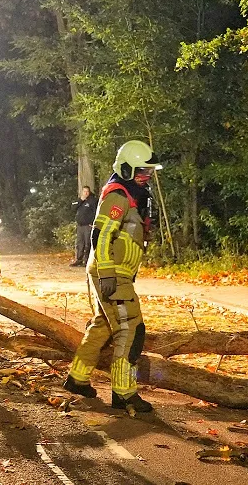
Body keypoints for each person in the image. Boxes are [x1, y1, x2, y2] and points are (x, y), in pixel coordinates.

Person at [63, 140, 159, 413]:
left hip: (114, 271)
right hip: (112, 272)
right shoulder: (117, 195)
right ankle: (124, 393)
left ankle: (78, 378)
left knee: (102, 325)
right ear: (127, 169)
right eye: (141, 172)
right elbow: (100, 234)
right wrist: (108, 274)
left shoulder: (132, 194)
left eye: (148, 172)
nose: (146, 177)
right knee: (132, 330)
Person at [70, 186, 98, 267]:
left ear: (89, 192)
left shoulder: (92, 201)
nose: (85, 193)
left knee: (87, 243)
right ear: (82, 192)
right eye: (84, 191)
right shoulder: (78, 200)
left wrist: (93, 222)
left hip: (88, 226)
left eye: (87, 192)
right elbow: (73, 208)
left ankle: (87, 261)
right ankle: (79, 259)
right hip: (80, 226)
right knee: (79, 243)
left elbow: (95, 212)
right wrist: (80, 200)